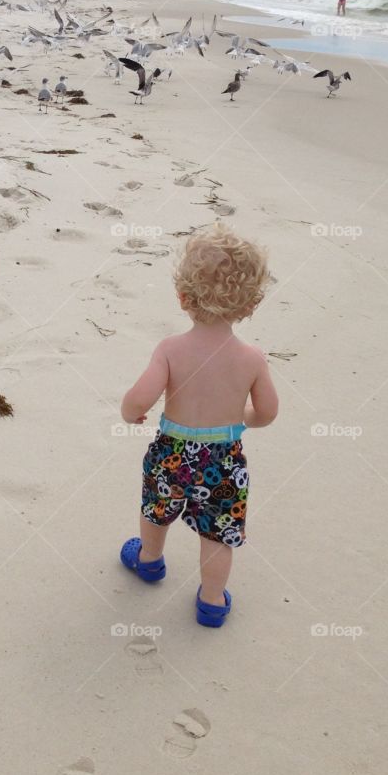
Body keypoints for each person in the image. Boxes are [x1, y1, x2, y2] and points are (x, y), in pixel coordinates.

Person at [118, 225, 279, 628]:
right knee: (218, 533)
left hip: (170, 454)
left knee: (157, 511)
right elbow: (268, 412)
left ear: (183, 296)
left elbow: (140, 397)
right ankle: (211, 601)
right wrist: (243, 419)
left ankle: (150, 561)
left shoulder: (171, 350)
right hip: (224, 462)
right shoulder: (252, 358)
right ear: (249, 305)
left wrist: (130, 413)